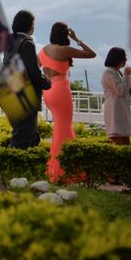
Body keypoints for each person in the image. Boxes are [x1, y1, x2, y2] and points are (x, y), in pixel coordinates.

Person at [38, 22, 96, 182]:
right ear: (65, 34)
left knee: (59, 130)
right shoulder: (64, 50)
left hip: (48, 92)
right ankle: (66, 172)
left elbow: (37, 70)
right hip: (61, 90)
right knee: (65, 131)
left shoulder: (43, 51)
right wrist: (77, 39)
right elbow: (92, 54)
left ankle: (54, 169)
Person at [5, 10, 51, 148]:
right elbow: (33, 72)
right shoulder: (27, 43)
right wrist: (47, 82)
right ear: (29, 26)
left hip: (11, 94)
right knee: (24, 139)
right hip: (26, 96)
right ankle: (16, 166)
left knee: (22, 134)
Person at [101, 47, 131, 145]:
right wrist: (126, 76)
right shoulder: (108, 72)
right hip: (115, 111)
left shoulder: (117, 72)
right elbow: (121, 91)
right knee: (118, 142)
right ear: (117, 58)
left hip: (121, 110)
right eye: (124, 57)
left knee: (125, 141)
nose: (126, 60)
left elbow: (127, 92)